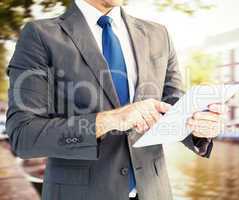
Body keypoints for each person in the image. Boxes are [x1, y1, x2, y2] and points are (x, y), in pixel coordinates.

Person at [6, 0, 222, 199]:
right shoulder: (40, 35)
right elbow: (24, 136)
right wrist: (113, 119)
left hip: (155, 192)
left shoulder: (158, 34)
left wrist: (197, 128)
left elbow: (173, 104)